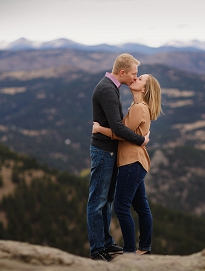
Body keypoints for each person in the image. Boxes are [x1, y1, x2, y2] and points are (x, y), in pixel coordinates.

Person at [88, 53, 149, 261]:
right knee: (98, 200)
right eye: (134, 74)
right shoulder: (107, 89)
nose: (135, 77)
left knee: (107, 200)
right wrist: (141, 140)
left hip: (110, 151)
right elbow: (117, 126)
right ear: (122, 72)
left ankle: (106, 243)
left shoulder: (112, 87)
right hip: (104, 151)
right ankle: (98, 250)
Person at [92, 74, 162, 256]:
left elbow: (121, 133)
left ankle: (130, 251)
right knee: (141, 207)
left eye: (140, 79)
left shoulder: (139, 107)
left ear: (144, 89)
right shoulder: (139, 107)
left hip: (131, 162)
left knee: (122, 207)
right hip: (137, 162)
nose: (135, 79)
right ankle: (144, 248)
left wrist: (99, 129)